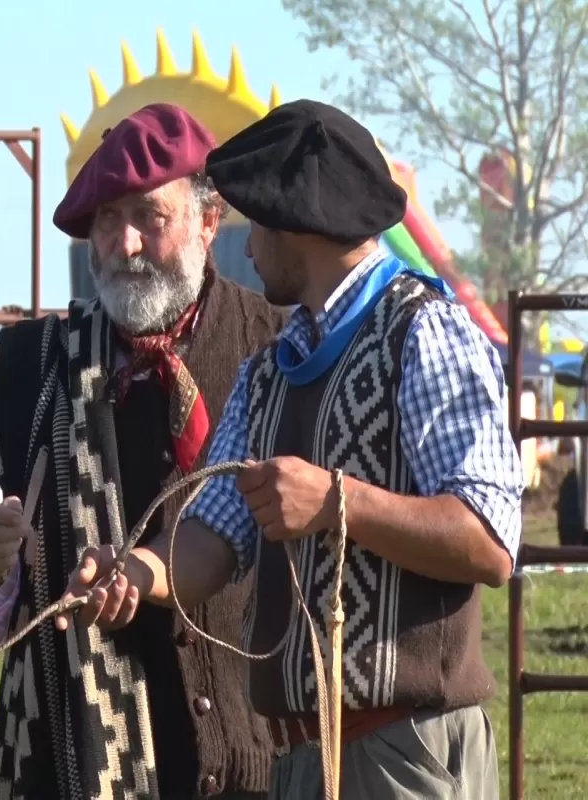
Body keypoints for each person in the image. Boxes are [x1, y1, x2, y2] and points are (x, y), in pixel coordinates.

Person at [60, 99, 523, 800]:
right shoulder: (270, 371)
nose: (246, 249)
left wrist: (338, 502)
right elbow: (211, 540)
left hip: (408, 750)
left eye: (259, 225)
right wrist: (131, 572)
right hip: (301, 762)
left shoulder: (425, 335)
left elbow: (490, 541)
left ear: (297, 224)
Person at [0, 103, 290, 799]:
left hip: (257, 757)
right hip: (71, 762)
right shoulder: (31, 370)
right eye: (105, 220)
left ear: (208, 224)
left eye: (149, 218)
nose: (124, 244)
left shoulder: (275, 350)